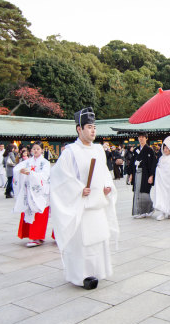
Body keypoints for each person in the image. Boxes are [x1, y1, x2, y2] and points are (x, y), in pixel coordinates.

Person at [49, 107, 119, 289]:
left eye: (94, 127)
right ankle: (82, 275)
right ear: (79, 129)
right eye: (89, 127)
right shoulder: (70, 152)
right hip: (82, 205)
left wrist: (107, 186)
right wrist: (78, 190)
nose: (93, 130)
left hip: (97, 204)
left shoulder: (98, 150)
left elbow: (104, 173)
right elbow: (59, 178)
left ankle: (99, 271)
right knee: (83, 243)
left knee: (99, 238)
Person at [13, 141, 52, 247]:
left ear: (42, 150)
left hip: (40, 192)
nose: (35, 151)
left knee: (39, 214)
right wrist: (21, 171)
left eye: (38, 149)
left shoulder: (45, 163)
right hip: (29, 191)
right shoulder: (27, 162)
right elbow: (16, 169)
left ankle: (37, 237)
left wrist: (31, 173)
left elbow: (45, 176)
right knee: (29, 211)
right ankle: (31, 235)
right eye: (34, 149)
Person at [152, 136, 170, 221]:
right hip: (162, 181)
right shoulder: (161, 158)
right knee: (162, 196)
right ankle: (163, 212)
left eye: (167, 148)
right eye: (164, 148)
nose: (165, 150)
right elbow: (159, 168)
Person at [129, 132, 157, 218]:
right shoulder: (136, 150)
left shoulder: (149, 150)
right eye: (139, 137)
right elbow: (131, 163)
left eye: (143, 137)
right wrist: (131, 174)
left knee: (144, 192)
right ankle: (139, 211)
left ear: (146, 138)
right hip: (136, 173)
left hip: (145, 174)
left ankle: (148, 209)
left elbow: (153, 164)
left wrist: (151, 175)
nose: (141, 139)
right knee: (137, 192)